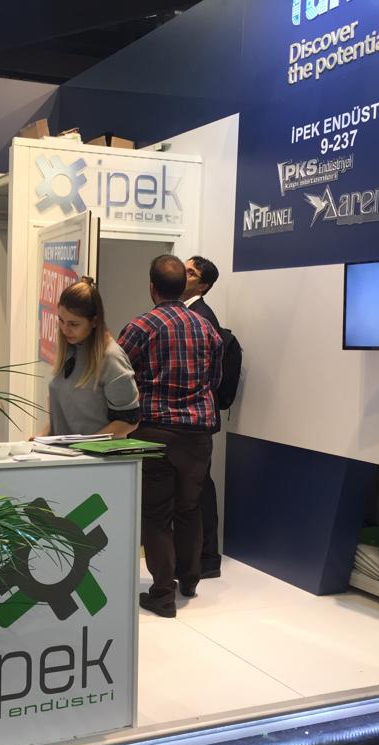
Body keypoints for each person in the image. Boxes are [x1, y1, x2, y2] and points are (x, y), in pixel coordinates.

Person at [118, 254, 223, 618]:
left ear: (152, 288)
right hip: (198, 433)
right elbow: (215, 380)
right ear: (182, 288)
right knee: (189, 508)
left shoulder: (140, 327)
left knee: (157, 514)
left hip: (154, 432)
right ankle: (189, 581)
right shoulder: (207, 328)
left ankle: (162, 594)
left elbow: (118, 377)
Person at [37, 277, 140, 439]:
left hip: (92, 454)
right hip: (65, 451)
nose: (65, 329)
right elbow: (61, 416)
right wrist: (41, 437)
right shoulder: (70, 349)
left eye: (73, 324)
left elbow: (129, 421)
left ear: (94, 322)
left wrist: (86, 446)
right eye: (61, 321)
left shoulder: (111, 358)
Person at [182, 256, 223, 580]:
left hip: (195, 421)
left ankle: (206, 559)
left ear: (204, 285)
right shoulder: (186, 313)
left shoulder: (202, 318)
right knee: (194, 491)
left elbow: (211, 375)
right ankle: (197, 558)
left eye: (191, 273)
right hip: (192, 421)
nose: (184, 275)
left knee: (198, 492)